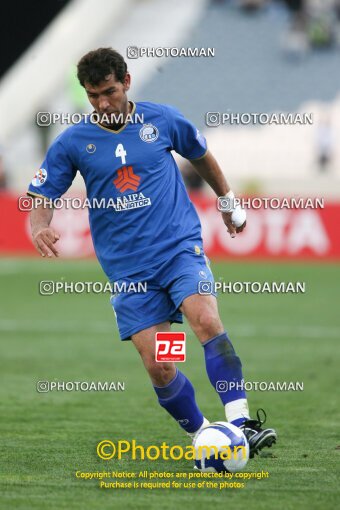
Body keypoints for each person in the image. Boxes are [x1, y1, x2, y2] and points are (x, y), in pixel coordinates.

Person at [27, 48, 276, 458]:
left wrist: (228, 201)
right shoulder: (73, 142)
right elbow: (43, 192)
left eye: (108, 91)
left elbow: (201, 154)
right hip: (129, 272)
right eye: (93, 96)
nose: (102, 104)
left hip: (178, 250)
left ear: (126, 81)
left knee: (206, 319)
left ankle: (241, 422)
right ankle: (205, 436)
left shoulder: (161, 119)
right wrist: (39, 225)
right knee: (161, 364)